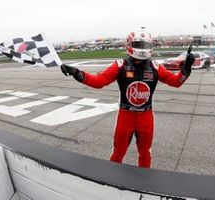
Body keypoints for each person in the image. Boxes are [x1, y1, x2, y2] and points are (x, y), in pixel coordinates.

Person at [60, 28, 195, 168]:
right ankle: (111, 182)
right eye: (139, 45)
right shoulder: (120, 66)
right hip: (126, 117)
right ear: (129, 45)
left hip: (145, 117)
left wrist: (186, 69)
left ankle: (143, 183)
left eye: (145, 45)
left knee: (145, 153)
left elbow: (176, 82)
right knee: (118, 153)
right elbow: (98, 81)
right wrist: (77, 73)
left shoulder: (155, 67)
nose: (142, 49)